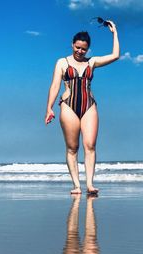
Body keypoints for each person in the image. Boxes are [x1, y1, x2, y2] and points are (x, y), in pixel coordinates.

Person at [45, 20, 120, 194]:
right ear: (72, 44)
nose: (80, 51)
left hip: (89, 105)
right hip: (68, 105)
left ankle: (90, 184)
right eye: (77, 47)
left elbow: (115, 55)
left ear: (88, 49)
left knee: (90, 145)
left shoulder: (91, 62)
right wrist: (49, 108)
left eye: (83, 49)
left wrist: (114, 32)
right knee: (72, 148)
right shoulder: (62, 62)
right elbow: (55, 85)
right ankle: (77, 185)